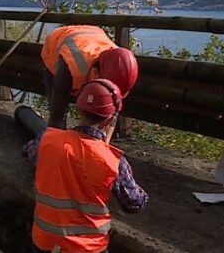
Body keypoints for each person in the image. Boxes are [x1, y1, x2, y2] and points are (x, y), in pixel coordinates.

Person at [23, 79, 148, 253]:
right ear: (110, 119)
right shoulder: (113, 161)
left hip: (44, 243)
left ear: (79, 109)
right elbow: (135, 203)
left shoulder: (47, 140)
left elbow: (28, 153)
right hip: (87, 249)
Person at [41, 25, 138, 128]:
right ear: (96, 73)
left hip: (93, 34)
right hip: (57, 41)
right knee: (57, 114)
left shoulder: (121, 63)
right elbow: (58, 105)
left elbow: (111, 106)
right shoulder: (70, 68)